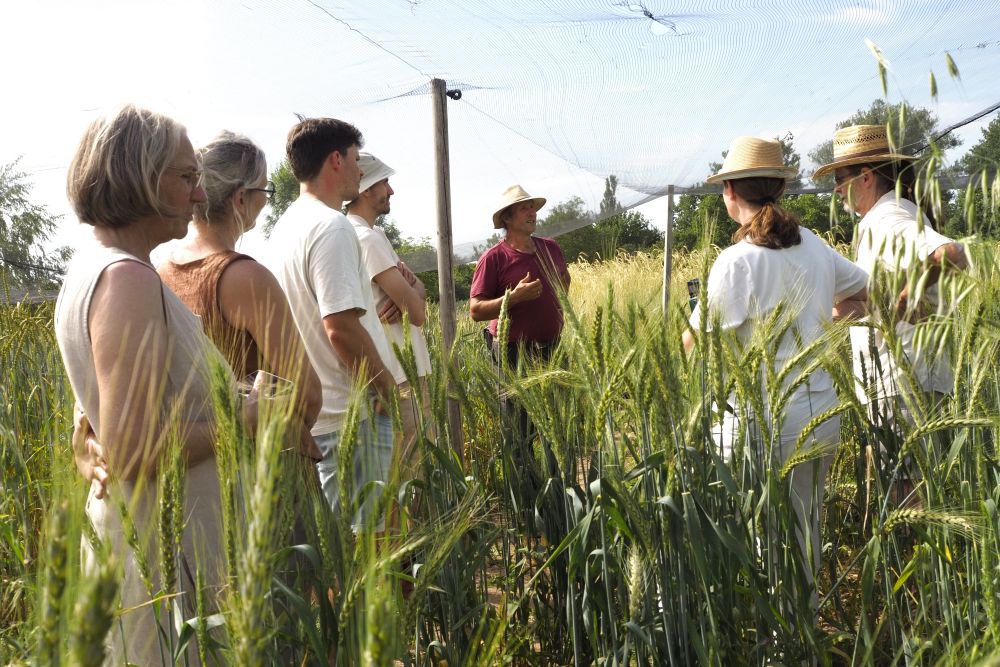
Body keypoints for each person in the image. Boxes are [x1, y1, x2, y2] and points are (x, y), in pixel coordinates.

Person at [56, 105, 252, 664]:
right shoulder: (127, 279)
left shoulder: (101, 268)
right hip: (164, 561)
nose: (198, 195)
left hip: (157, 546)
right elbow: (135, 448)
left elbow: (105, 418)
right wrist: (248, 417)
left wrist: (86, 440)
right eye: (187, 177)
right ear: (141, 179)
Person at [683, 136, 868, 604]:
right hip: (822, 414)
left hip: (760, 426)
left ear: (729, 192)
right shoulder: (815, 245)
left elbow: (695, 346)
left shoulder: (736, 260)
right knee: (805, 529)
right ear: (779, 189)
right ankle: (799, 634)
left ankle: (770, 640)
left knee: (756, 537)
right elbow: (868, 293)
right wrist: (823, 319)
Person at [262, 118, 401, 531]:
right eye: (357, 160)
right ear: (336, 160)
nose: (361, 171)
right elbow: (340, 327)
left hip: (318, 415)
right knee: (375, 543)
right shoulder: (331, 226)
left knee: (344, 549)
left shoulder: (284, 229)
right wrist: (386, 387)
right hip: (351, 415)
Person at [157, 131, 322, 459]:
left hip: (200, 469)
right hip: (260, 471)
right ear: (241, 198)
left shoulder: (161, 269)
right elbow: (307, 394)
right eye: (265, 189)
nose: (266, 200)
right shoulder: (245, 277)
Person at [815, 125, 968, 439]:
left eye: (839, 179)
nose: (836, 190)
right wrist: (823, 319)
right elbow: (875, 302)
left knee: (901, 488)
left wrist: (903, 302)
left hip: (900, 384)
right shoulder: (891, 214)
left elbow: (950, 253)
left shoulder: (887, 218)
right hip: (908, 381)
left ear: (866, 177)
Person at [469, 184, 570, 528]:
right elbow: (475, 310)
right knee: (520, 430)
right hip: (513, 353)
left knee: (557, 424)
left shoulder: (551, 248)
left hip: (552, 350)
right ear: (507, 219)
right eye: (523, 208)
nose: (531, 212)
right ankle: (528, 508)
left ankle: (558, 498)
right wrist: (514, 298)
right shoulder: (494, 258)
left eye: (532, 206)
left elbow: (564, 282)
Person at [344, 152, 433, 490]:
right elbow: (421, 313)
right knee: (413, 478)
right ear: (366, 189)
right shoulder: (368, 239)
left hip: (398, 373)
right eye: (384, 182)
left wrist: (407, 289)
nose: (391, 190)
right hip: (402, 375)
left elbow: (419, 293)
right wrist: (408, 292)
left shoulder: (368, 235)